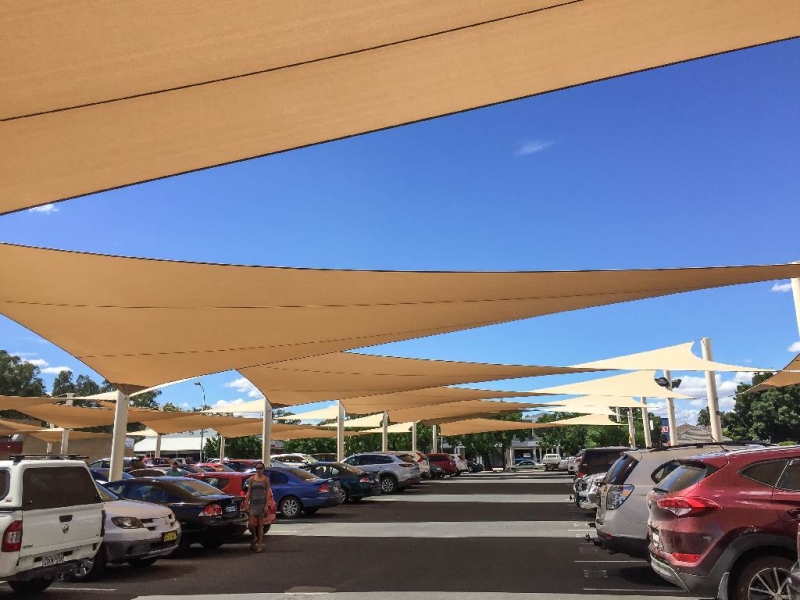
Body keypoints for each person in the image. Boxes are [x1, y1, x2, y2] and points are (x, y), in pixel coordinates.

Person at [244, 462, 270, 553]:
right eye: (257, 468)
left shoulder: (266, 479)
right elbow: (249, 492)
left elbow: (267, 493)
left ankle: (259, 545)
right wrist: (246, 502)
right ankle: (254, 536)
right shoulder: (252, 479)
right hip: (253, 504)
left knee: (260, 525)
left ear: (263, 469)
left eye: (260, 468)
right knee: (251, 524)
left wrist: (266, 505)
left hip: (262, 504)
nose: (259, 470)